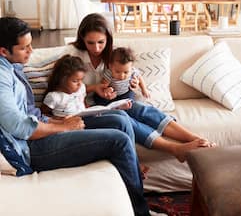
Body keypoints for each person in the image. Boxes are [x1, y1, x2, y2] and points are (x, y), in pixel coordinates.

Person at [0, 17, 150, 216]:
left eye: (30, 45)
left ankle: (133, 195)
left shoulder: (11, 66)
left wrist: (57, 120)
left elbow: (28, 114)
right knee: (119, 141)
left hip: (41, 128)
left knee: (119, 119)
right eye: (24, 48)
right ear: (3, 51)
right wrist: (63, 127)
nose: (31, 51)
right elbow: (18, 126)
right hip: (29, 148)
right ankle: (141, 213)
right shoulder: (1, 76)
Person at [66, 13, 215, 163]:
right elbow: (65, 86)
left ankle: (196, 138)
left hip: (113, 100)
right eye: (90, 43)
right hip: (89, 108)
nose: (96, 48)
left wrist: (134, 84)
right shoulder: (73, 55)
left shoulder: (114, 55)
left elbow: (129, 73)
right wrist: (94, 88)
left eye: (101, 42)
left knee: (141, 109)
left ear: (108, 39)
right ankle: (175, 149)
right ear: (82, 39)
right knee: (126, 120)